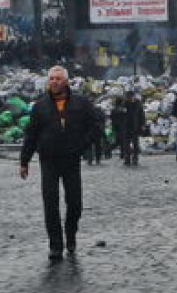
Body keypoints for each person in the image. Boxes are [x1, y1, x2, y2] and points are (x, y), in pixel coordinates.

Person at [19, 66, 105, 262]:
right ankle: (55, 245)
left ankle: (71, 234)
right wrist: (24, 161)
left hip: (71, 159)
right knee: (50, 204)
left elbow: (97, 126)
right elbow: (30, 134)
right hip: (48, 160)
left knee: (74, 202)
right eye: (51, 79)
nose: (55, 82)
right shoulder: (40, 106)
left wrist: (82, 144)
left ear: (66, 81)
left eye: (58, 78)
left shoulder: (81, 103)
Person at [110, 89, 146, 166]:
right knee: (126, 144)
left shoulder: (138, 103)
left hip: (136, 126)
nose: (129, 98)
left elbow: (141, 114)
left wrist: (143, 124)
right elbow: (119, 115)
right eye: (128, 97)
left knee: (135, 144)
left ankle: (135, 158)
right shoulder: (124, 104)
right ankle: (127, 159)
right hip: (126, 127)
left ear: (133, 96)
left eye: (130, 97)